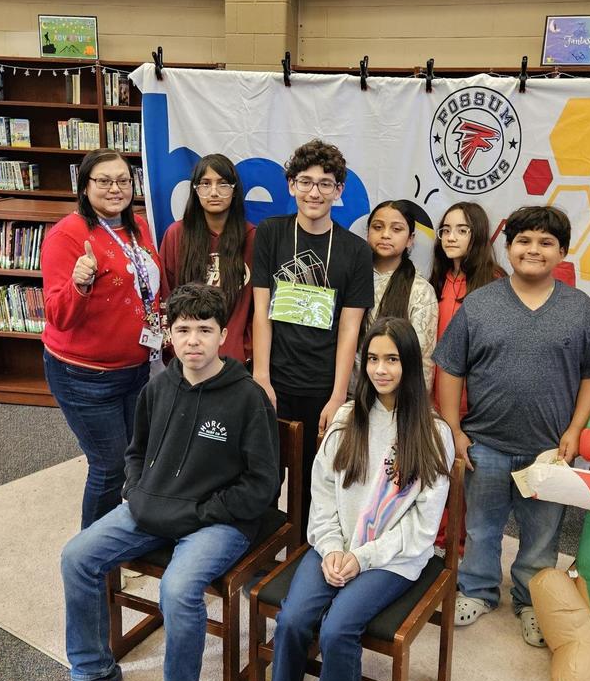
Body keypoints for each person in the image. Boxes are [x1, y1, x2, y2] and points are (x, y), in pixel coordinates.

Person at [47, 285, 279, 681]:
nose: (193, 340)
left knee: (177, 588)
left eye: (204, 330)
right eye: (183, 330)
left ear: (223, 334)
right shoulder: (158, 386)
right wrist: (135, 488)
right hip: (150, 507)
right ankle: (93, 671)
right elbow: (136, 452)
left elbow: (262, 485)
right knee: (77, 556)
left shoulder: (248, 399)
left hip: (220, 521)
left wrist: (201, 512)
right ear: (169, 335)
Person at [244, 317, 453, 681]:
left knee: (339, 629)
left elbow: (421, 533)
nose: (381, 369)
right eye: (373, 359)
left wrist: (360, 558)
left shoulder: (433, 434)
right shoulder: (344, 421)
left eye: (392, 359)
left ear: (410, 365)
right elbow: (322, 498)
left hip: (393, 559)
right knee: (293, 619)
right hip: (336, 546)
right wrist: (334, 547)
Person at [433, 205, 590, 647]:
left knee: (543, 533)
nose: (534, 250)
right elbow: (450, 370)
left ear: (563, 252)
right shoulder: (480, 303)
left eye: (546, 242)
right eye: (524, 241)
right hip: (485, 442)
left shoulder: (579, 308)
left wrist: (575, 428)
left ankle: (533, 600)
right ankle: (477, 589)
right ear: (508, 248)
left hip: (550, 450)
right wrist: (454, 429)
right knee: (482, 527)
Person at [252, 139, 374, 526]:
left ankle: (300, 560)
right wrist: (261, 378)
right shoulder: (271, 234)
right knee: (264, 476)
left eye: (325, 183)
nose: (314, 192)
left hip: (322, 384)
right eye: (305, 181)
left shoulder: (355, 250)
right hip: (274, 380)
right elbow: (261, 313)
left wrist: (338, 395)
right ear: (290, 185)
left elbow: (350, 328)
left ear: (339, 191)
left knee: (313, 482)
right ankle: (258, 558)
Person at [42, 148, 163, 530]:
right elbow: (58, 315)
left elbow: (151, 289)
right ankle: (92, 559)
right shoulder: (67, 235)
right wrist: (79, 283)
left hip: (136, 368)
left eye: (124, 180)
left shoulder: (138, 227)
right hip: (86, 377)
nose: (116, 189)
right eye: (105, 181)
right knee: (109, 466)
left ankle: (120, 539)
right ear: (85, 186)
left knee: (133, 459)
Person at [430, 201, 503, 550]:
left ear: (478, 235)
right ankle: (437, 545)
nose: (450, 237)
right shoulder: (436, 280)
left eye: (461, 230)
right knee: (434, 476)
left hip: (473, 405)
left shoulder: (495, 284)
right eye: (445, 230)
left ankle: (458, 557)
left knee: (464, 483)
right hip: (434, 397)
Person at [158, 154, 255, 363]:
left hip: (236, 362)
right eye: (205, 184)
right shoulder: (176, 234)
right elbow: (166, 296)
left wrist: (246, 348)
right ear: (195, 190)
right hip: (187, 357)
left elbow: (259, 306)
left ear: (234, 190)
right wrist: (174, 347)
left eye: (223, 184)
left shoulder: (253, 237)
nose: (214, 192)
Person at [353, 200, 437, 391]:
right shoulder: (351, 277)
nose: (385, 235)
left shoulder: (420, 291)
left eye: (396, 229)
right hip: (348, 395)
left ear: (410, 239)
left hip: (396, 400)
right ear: (367, 233)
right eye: (377, 227)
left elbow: (422, 360)